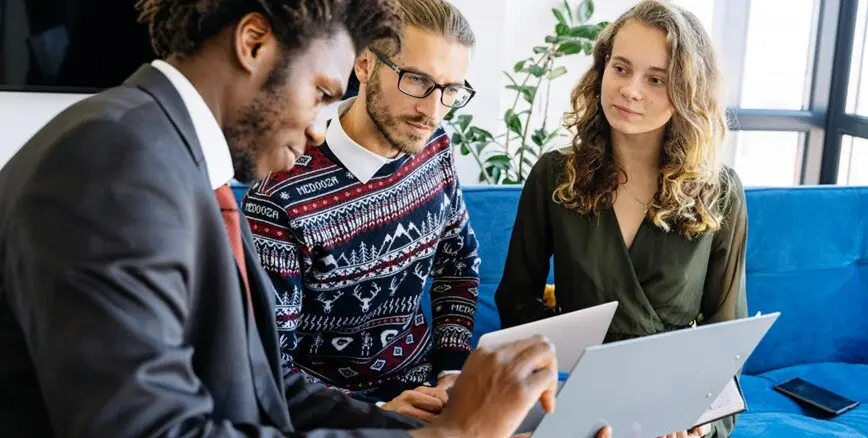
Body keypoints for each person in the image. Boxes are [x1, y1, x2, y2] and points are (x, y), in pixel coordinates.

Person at [0, 1, 613, 437]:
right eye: (322, 92)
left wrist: (442, 423)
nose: (322, 124)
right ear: (254, 43)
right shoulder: (113, 164)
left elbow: (266, 386)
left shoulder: (159, 153)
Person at [494, 1, 747, 437]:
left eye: (657, 79)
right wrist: (569, 374)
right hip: (582, 404)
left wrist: (698, 427)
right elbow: (516, 302)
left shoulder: (719, 191)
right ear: (601, 70)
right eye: (621, 68)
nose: (631, 90)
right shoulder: (554, 176)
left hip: (675, 413)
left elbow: (727, 339)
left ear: (689, 91)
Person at [243, 0, 480, 422]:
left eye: (450, 90)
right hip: (339, 416)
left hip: (430, 394)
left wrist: (451, 370)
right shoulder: (279, 196)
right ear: (365, 65)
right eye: (416, 81)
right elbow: (268, 366)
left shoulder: (435, 147)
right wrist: (376, 413)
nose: (433, 110)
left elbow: (458, 262)